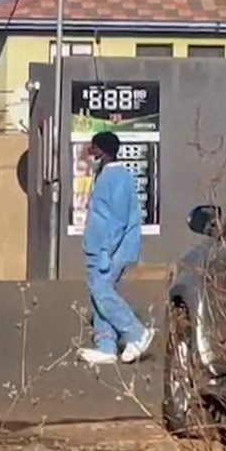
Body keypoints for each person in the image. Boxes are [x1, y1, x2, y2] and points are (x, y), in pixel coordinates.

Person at [77, 131, 154, 366]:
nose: (92, 153)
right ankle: (106, 346)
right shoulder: (105, 175)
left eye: (95, 148)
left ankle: (137, 333)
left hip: (111, 250)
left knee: (102, 292)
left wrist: (106, 250)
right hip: (99, 248)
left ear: (104, 150)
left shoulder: (118, 177)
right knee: (97, 295)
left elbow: (118, 219)